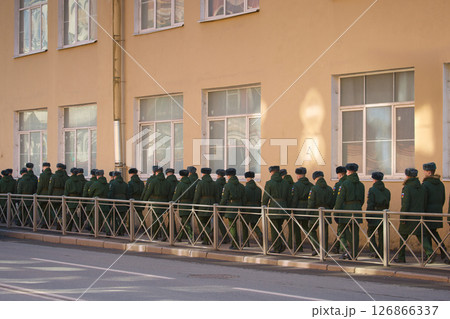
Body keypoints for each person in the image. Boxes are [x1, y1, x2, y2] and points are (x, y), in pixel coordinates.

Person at [395, 168, 434, 263]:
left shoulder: (407, 188)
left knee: (403, 236)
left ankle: (401, 257)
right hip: (419, 216)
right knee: (421, 236)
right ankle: (430, 253)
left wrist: (403, 217)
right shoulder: (421, 187)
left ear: (407, 176)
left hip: (408, 217)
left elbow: (405, 204)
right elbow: (424, 202)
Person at [334, 163, 365, 260]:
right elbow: (362, 200)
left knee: (342, 229)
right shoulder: (361, 185)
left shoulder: (345, 184)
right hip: (357, 209)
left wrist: (336, 212)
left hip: (346, 209)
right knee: (355, 232)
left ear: (348, 171)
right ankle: (354, 253)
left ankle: (347, 250)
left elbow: (340, 200)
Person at [422, 162, 449, 264]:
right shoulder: (441, 184)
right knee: (433, 232)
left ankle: (431, 254)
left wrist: (423, 211)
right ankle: (441, 251)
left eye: (425, 171)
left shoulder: (425, 184)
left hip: (427, 213)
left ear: (429, 172)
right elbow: (443, 199)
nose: (424, 172)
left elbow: (424, 200)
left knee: (428, 232)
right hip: (437, 212)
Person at [262, 166, 290, 253]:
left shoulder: (269, 183)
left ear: (271, 172)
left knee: (274, 229)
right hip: (283, 207)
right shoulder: (285, 183)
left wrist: (263, 206)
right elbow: (289, 197)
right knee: (279, 227)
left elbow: (266, 197)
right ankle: (282, 242)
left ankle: (277, 247)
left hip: (274, 207)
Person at [307, 171, 334, 256]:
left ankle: (317, 247)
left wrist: (308, 213)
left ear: (315, 178)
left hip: (316, 212)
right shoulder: (329, 188)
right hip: (326, 212)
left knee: (311, 229)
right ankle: (324, 250)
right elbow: (332, 202)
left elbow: (311, 202)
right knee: (325, 231)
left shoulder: (314, 188)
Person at [220, 168, 246, 250]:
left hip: (231, 207)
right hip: (240, 206)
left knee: (232, 226)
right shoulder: (241, 186)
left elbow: (224, 198)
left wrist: (220, 207)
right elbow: (244, 198)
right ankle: (238, 243)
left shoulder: (227, 185)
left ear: (228, 175)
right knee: (238, 226)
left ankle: (235, 244)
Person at [142, 166, 171, 240]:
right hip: (164, 202)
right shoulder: (167, 182)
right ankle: (154, 235)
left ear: (155, 172)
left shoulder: (153, 181)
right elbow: (169, 193)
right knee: (156, 219)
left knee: (158, 218)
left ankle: (164, 234)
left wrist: (143, 202)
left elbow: (148, 192)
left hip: (155, 202)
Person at [366, 171, 390, 258]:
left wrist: (368, 215)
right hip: (383, 214)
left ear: (374, 179)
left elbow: (370, 204)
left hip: (374, 213)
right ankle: (382, 252)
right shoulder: (387, 191)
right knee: (382, 234)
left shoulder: (372, 190)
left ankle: (373, 250)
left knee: (370, 232)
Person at [193, 167, 219, 245]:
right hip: (212, 204)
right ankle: (206, 240)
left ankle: (209, 232)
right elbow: (217, 195)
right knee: (208, 222)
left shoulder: (200, 183)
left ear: (203, 173)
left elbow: (197, 196)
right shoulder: (214, 183)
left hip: (203, 204)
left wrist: (194, 205)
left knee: (201, 221)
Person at [290, 167, 313, 251]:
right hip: (307, 208)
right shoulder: (311, 185)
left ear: (298, 175)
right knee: (307, 228)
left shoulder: (296, 185)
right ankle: (314, 246)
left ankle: (299, 247)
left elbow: (294, 199)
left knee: (297, 229)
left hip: (298, 209)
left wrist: (292, 209)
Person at [173, 169, 195, 241]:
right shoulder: (191, 183)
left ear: (181, 175)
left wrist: (173, 203)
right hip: (190, 203)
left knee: (186, 222)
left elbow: (177, 195)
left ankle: (191, 236)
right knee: (184, 221)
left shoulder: (180, 184)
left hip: (183, 204)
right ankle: (179, 237)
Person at [243, 171, 262, 246]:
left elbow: (244, 200)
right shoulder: (258, 189)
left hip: (247, 208)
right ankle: (260, 234)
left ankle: (246, 243)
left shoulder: (245, 188)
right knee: (254, 224)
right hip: (256, 208)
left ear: (247, 178)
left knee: (245, 225)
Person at [331, 166, 347, 254]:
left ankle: (345, 249)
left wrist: (334, 210)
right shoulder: (351, 183)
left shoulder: (339, 185)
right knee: (342, 228)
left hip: (341, 210)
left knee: (342, 229)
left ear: (340, 175)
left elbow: (336, 199)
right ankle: (336, 246)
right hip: (352, 210)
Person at [48, 163, 69, 229]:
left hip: (55, 194)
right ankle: (61, 222)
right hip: (63, 194)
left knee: (53, 210)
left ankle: (57, 221)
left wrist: (49, 195)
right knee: (61, 211)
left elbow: (51, 187)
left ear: (57, 168)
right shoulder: (66, 177)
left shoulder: (54, 176)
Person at [108, 171, 129, 236]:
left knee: (114, 217)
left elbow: (111, 194)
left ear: (114, 176)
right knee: (122, 218)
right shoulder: (125, 184)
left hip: (115, 202)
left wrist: (110, 202)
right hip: (124, 202)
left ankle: (116, 230)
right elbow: (128, 194)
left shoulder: (113, 183)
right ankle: (122, 231)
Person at [65, 168, 83, 232]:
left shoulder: (69, 181)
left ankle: (79, 227)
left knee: (73, 214)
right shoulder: (80, 181)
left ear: (71, 173)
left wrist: (65, 199)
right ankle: (68, 228)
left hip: (71, 199)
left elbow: (66, 192)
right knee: (70, 214)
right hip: (77, 198)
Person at [215, 169, 229, 243]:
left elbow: (216, 194)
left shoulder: (217, 183)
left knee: (218, 221)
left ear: (218, 175)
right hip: (224, 203)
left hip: (218, 204)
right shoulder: (224, 182)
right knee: (218, 220)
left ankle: (225, 237)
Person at [36, 162, 52, 228]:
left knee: (40, 209)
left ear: (44, 167)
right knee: (48, 209)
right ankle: (49, 222)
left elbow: (40, 186)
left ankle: (44, 222)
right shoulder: (52, 175)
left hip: (42, 194)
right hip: (50, 194)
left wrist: (37, 194)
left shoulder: (42, 175)